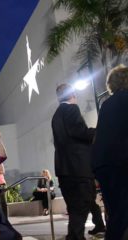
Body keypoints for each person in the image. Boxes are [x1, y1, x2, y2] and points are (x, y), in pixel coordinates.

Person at [52, 83, 104, 239]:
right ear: (72, 94)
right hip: (79, 170)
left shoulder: (56, 116)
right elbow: (79, 132)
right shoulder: (71, 109)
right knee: (80, 210)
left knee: (75, 210)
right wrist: (98, 131)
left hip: (64, 171)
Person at [92, 64, 128, 240]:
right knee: (122, 213)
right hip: (121, 164)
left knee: (115, 213)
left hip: (104, 165)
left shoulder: (106, 105)